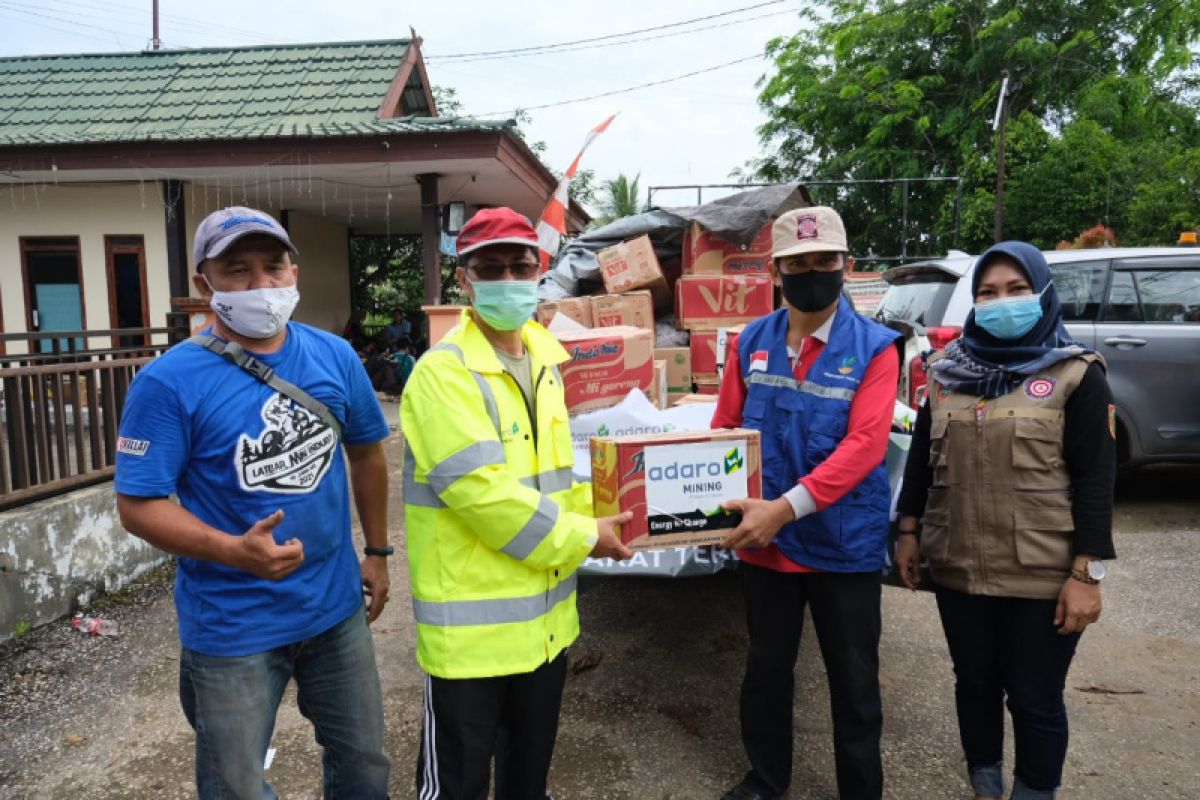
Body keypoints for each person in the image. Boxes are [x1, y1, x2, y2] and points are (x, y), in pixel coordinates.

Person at [115, 206, 392, 799]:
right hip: (232, 625)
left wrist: (378, 552)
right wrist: (232, 551)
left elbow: (367, 454)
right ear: (204, 285)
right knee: (236, 785)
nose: (261, 285)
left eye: (274, 267)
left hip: (334, 608)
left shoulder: (335, 357)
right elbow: (138, 504)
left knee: (365, 766)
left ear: (295, 272)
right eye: (237, 270)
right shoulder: (168, 382)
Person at [400, 206, 634, 800]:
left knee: (528, 784)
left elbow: (550, 482)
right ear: (464, 280)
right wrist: (586, 536)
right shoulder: (443, 374)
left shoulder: (546, 361)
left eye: (520, 265)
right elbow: (486, 497)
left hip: (545, 631)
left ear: (541, 272)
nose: (508, 278)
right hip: (471, 641)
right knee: (456, 788)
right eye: (491, 267)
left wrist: (621, 508)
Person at [893, 241, 1116, 800]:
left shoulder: (1075, 375)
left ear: (1042, 295)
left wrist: (1086, 576)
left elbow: (1096, 481)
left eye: (1016, 290)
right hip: (959, 566)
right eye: (988, 293)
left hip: (1041, 573)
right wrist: (908, 531)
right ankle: (985, 786)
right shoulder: (946, 375)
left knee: (1036, 698)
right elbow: (921, 461)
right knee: (974, 684)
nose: (1002, 303)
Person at [711, 206, 900, 800]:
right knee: (766, 672)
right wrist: (698, 501)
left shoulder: (876, 348)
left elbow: (866, 446)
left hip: (842, 545)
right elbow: (724, 430)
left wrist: (783, 508)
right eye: (798, 263)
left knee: (854, 681)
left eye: (824, 261)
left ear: (846, 266)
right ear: (777, 271)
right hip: (767, 547)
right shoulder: (751, 341)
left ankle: (860, 790)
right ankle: (766, 781)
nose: (811, 272)